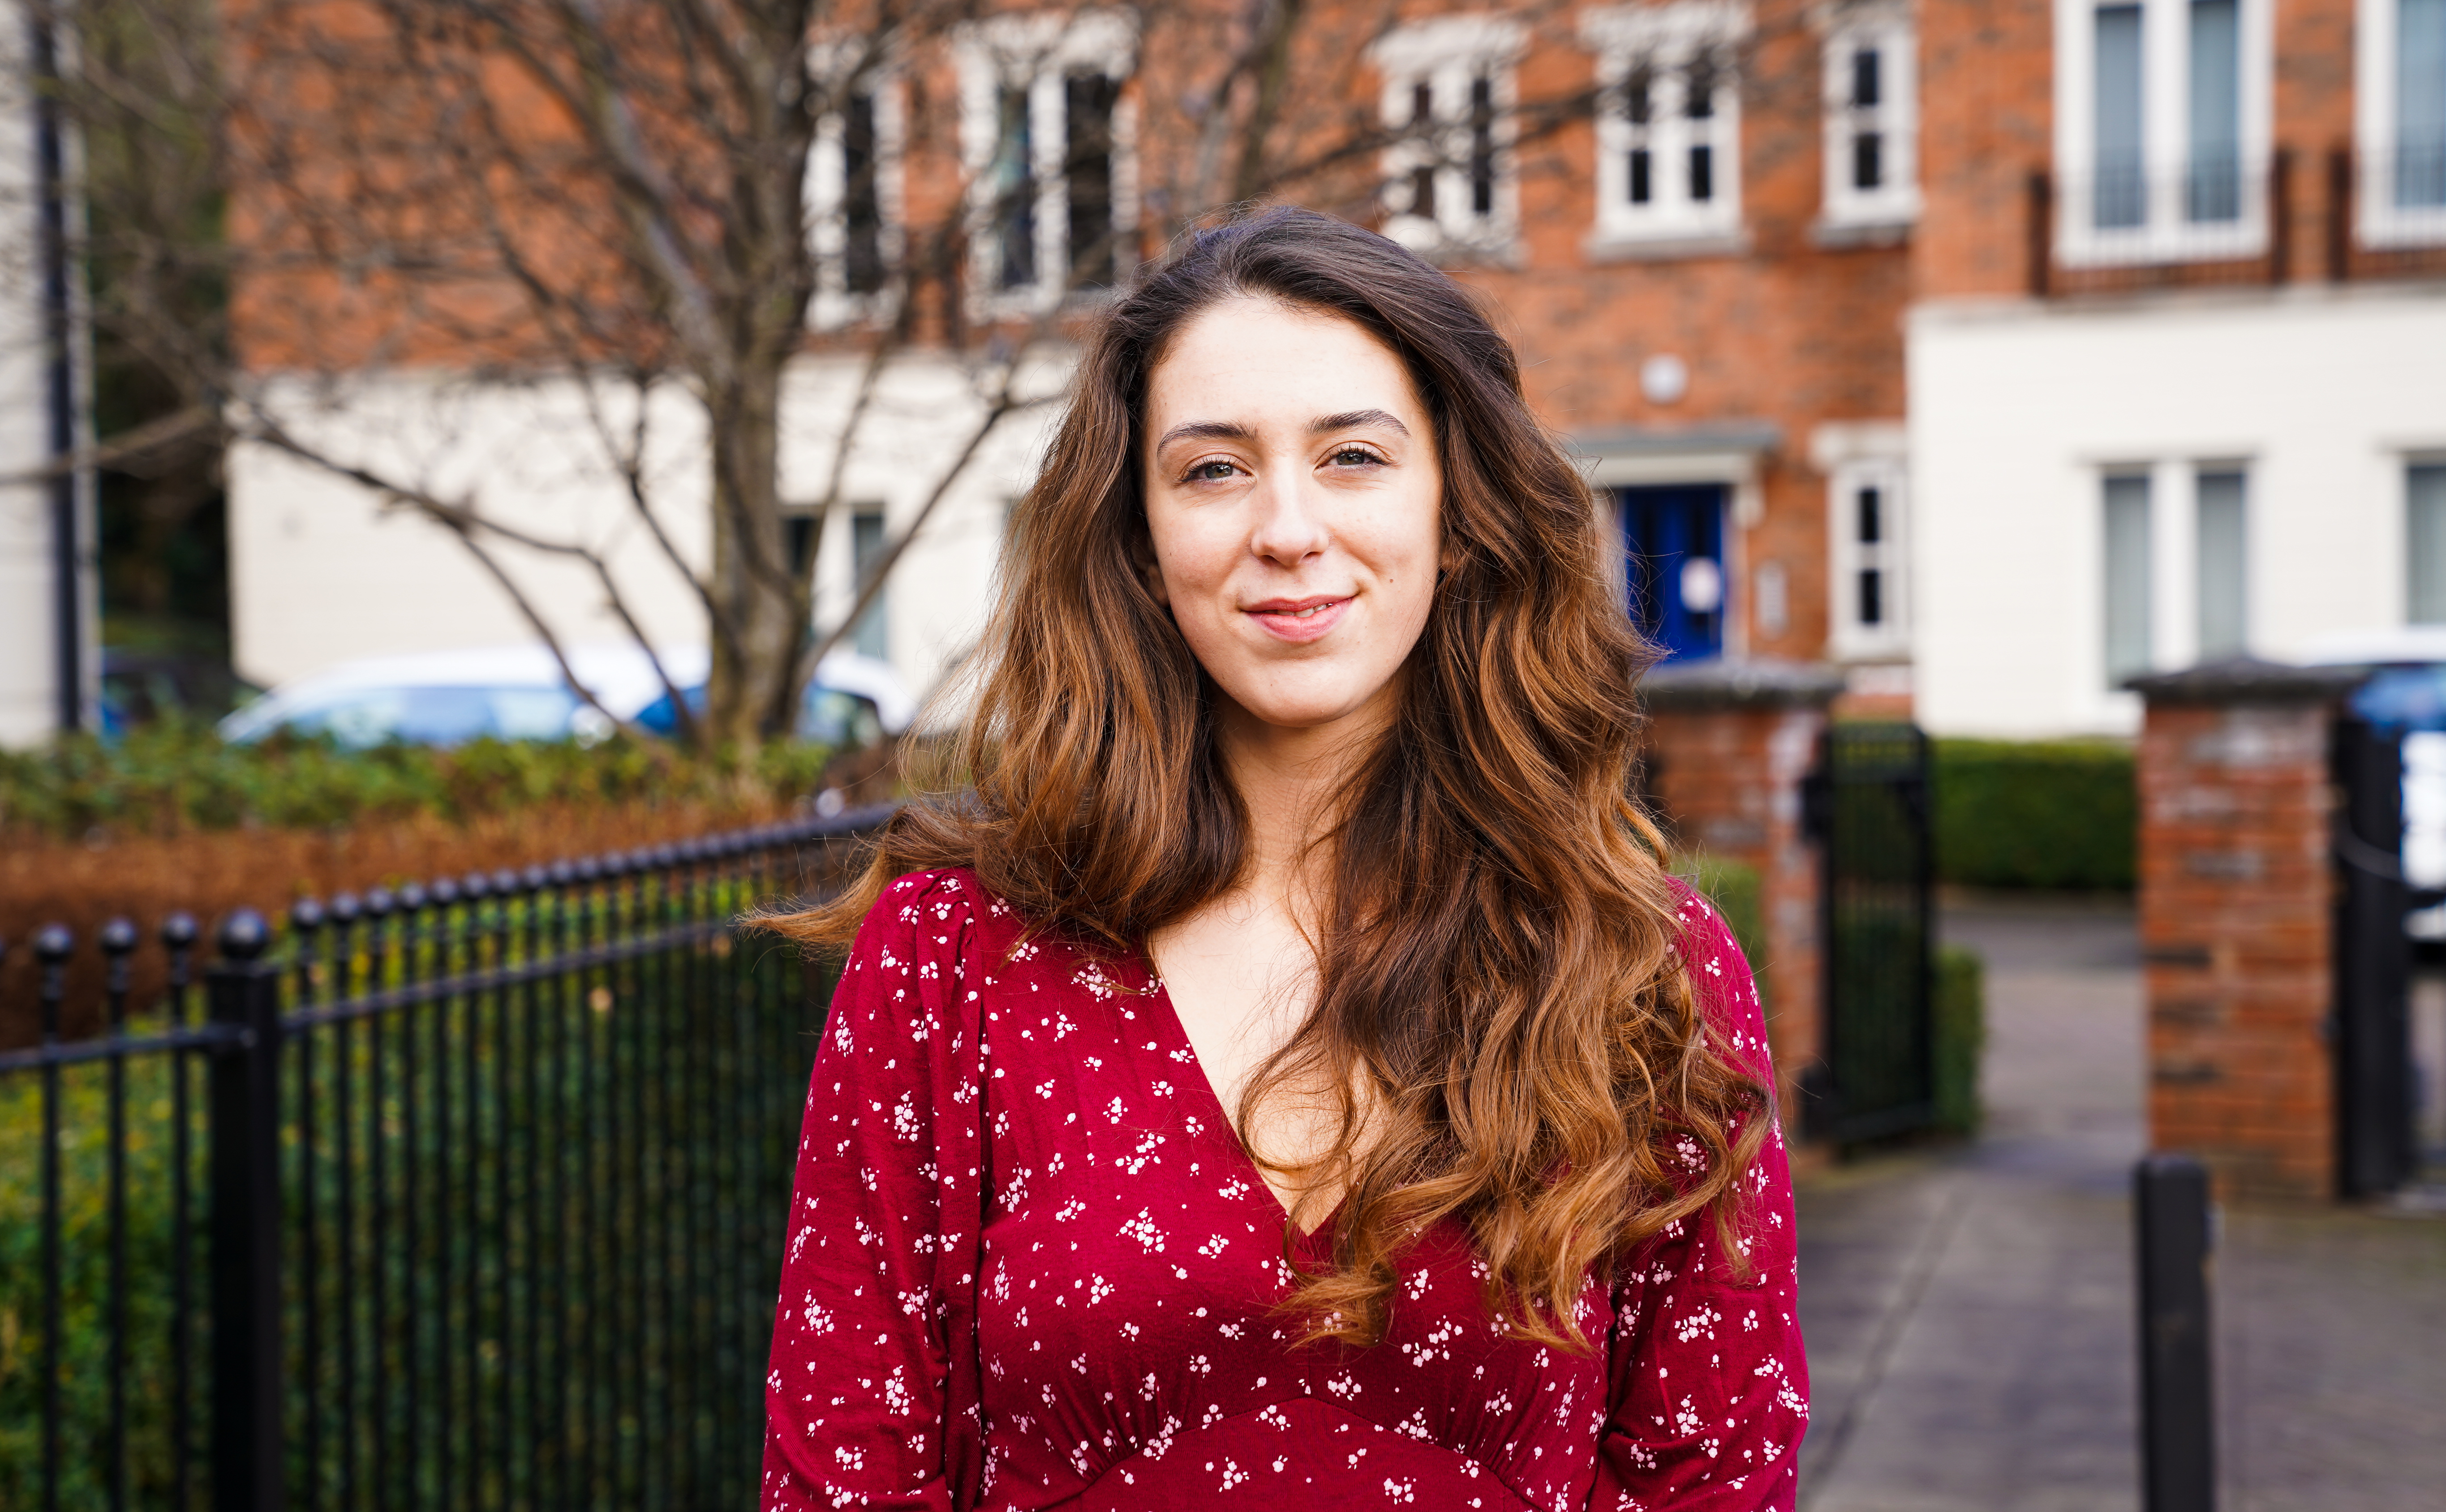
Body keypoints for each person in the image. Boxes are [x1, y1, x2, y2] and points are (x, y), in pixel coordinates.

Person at [756, 206, 1807, 1512]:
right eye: (1214, 470)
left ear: (1457, 506)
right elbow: (847, 1469)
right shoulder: (953, 960)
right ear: (1138, 539)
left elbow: (1711, 1475)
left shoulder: (1642, 970)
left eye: (1355, 456)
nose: (1289, 529)